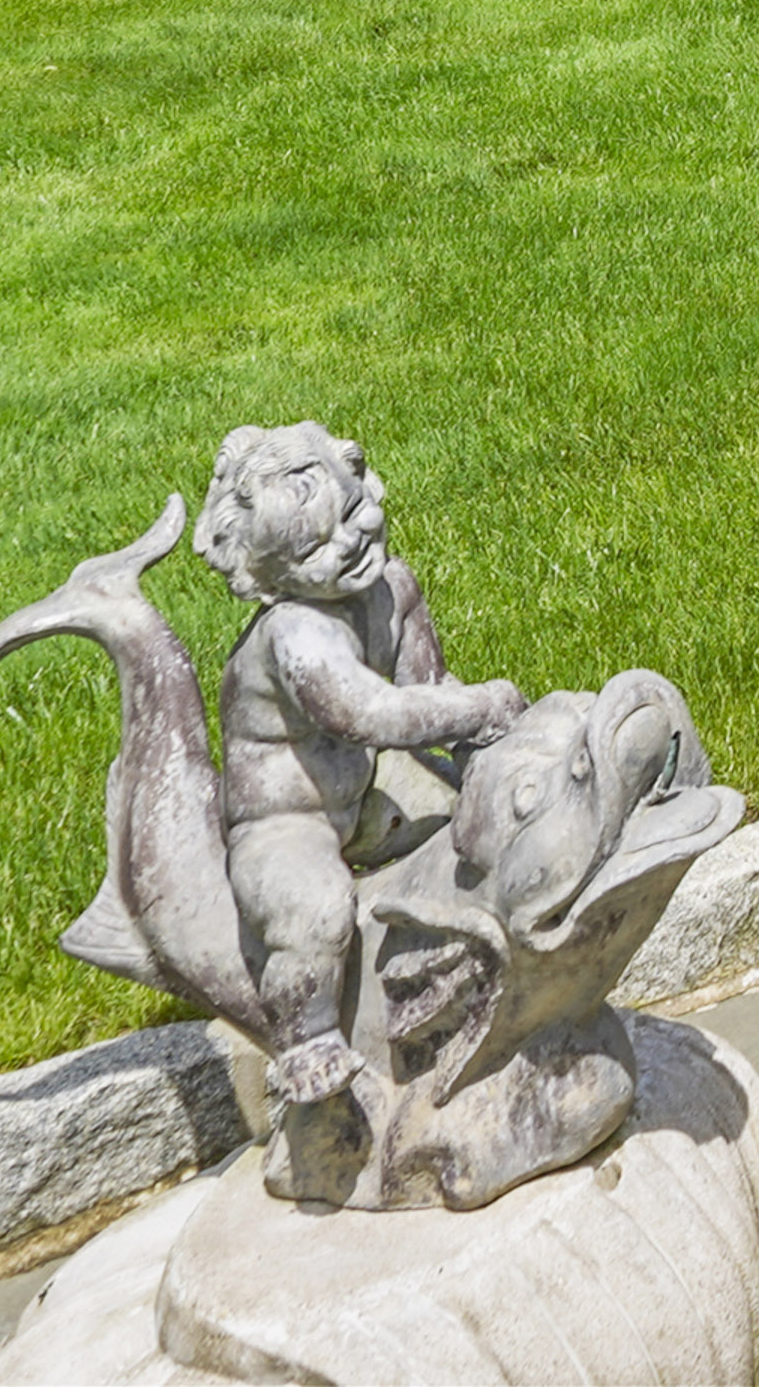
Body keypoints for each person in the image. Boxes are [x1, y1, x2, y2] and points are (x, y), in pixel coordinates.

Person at [193, 422, 526, 1104]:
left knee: (480, 819)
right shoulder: (295, 633)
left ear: (367, 485)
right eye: (312, 548)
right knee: (317, 911)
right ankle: (307, 1041)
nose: (347, 543)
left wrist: (487, 747)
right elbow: (370, 715)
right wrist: (485, 705)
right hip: (287, 822)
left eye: (351, 512)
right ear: (268, 575)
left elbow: (426, 691)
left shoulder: (391, 588)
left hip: (369, 787)